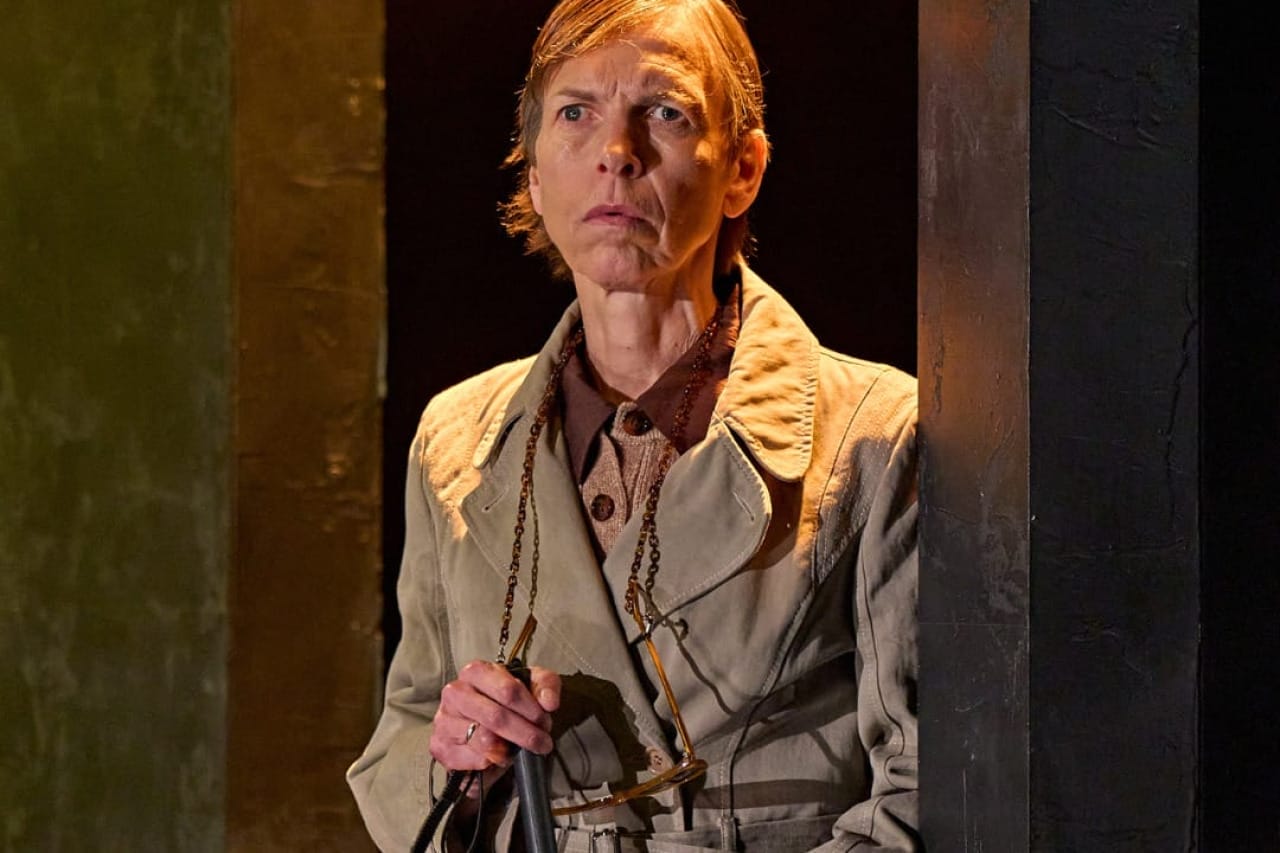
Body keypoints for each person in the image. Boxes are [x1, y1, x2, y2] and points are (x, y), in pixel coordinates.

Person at [348, 0, 919, 850]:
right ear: (535, 174)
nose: (616, 153)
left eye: (664, 111)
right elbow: (403, 745)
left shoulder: (874, 435)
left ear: (743, 169)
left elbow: (926, 784)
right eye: (575, 113)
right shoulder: (458, 440)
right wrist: (459, 766)